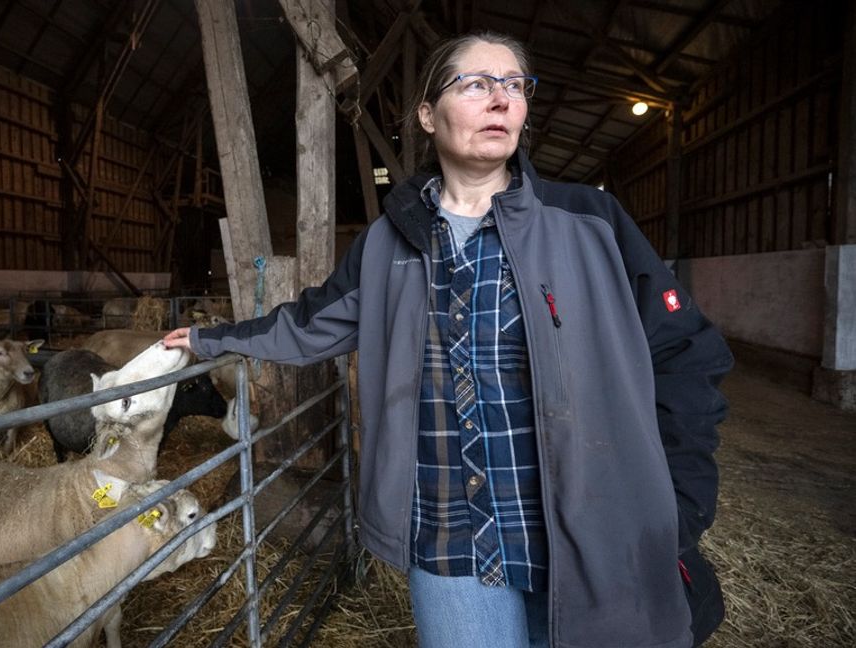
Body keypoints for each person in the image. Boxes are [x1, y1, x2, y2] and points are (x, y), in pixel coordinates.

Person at [164, 31, 731, 648]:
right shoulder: (389, 243)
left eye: (515, 85)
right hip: (449, 534)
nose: (502, 99)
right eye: (477, 84)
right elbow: (309, 323)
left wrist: (680, 498)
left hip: (589, 526)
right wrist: (209, 339)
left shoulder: (590, 223)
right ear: (429, 117)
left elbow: (686, 352)